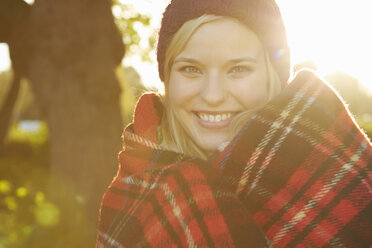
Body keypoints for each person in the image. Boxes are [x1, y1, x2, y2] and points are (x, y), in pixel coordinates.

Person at [97, 0, 372, 247]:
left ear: (272, 77)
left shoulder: (345, 178)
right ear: (168, 77)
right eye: (191, 69)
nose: (213, 95)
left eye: (238, 69)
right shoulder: (136, 194)